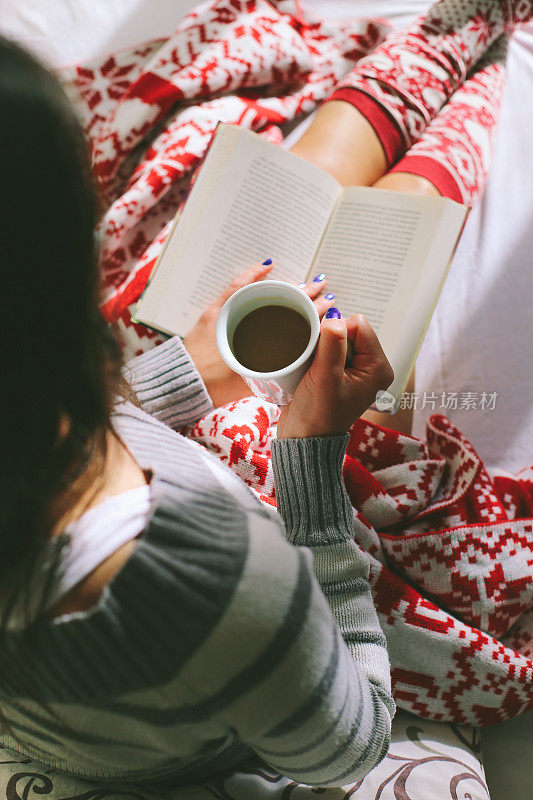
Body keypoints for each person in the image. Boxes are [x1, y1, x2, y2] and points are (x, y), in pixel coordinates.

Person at [0, 0, 531, 790]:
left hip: (171, 552)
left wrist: (194, 369)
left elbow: (80, 427)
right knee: (384, 253)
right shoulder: (211, 580)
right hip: (261, 585)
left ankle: (456, 50)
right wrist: (310, 452)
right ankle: (470, 68)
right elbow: (349, 744)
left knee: (300, 193)